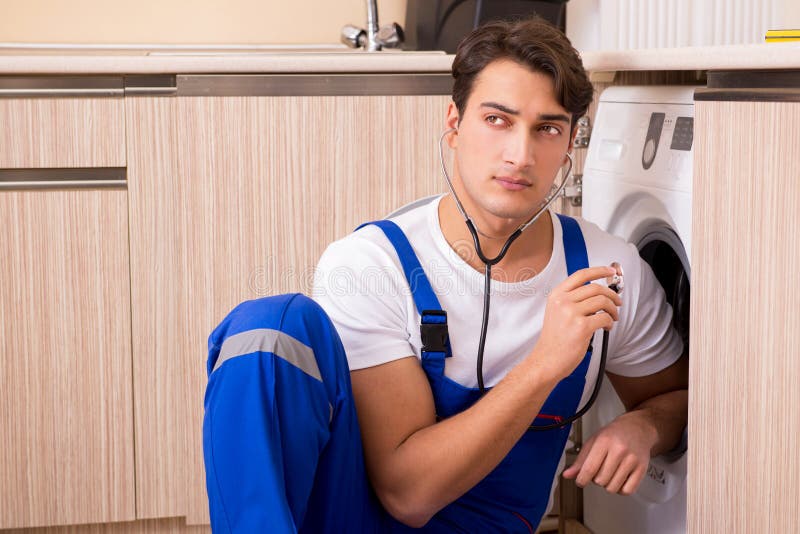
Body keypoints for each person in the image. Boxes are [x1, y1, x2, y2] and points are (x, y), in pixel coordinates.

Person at [202, 16, 689, 533]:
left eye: (547, 129)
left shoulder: (606, 270)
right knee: (270, 328)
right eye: (497, 120)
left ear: (570, 143)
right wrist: (546, 363)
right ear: (454, 125)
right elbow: (407, 497)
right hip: (354, 521)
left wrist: (643, 426)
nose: (520, 155)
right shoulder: (374, 265)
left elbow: (677, 399)